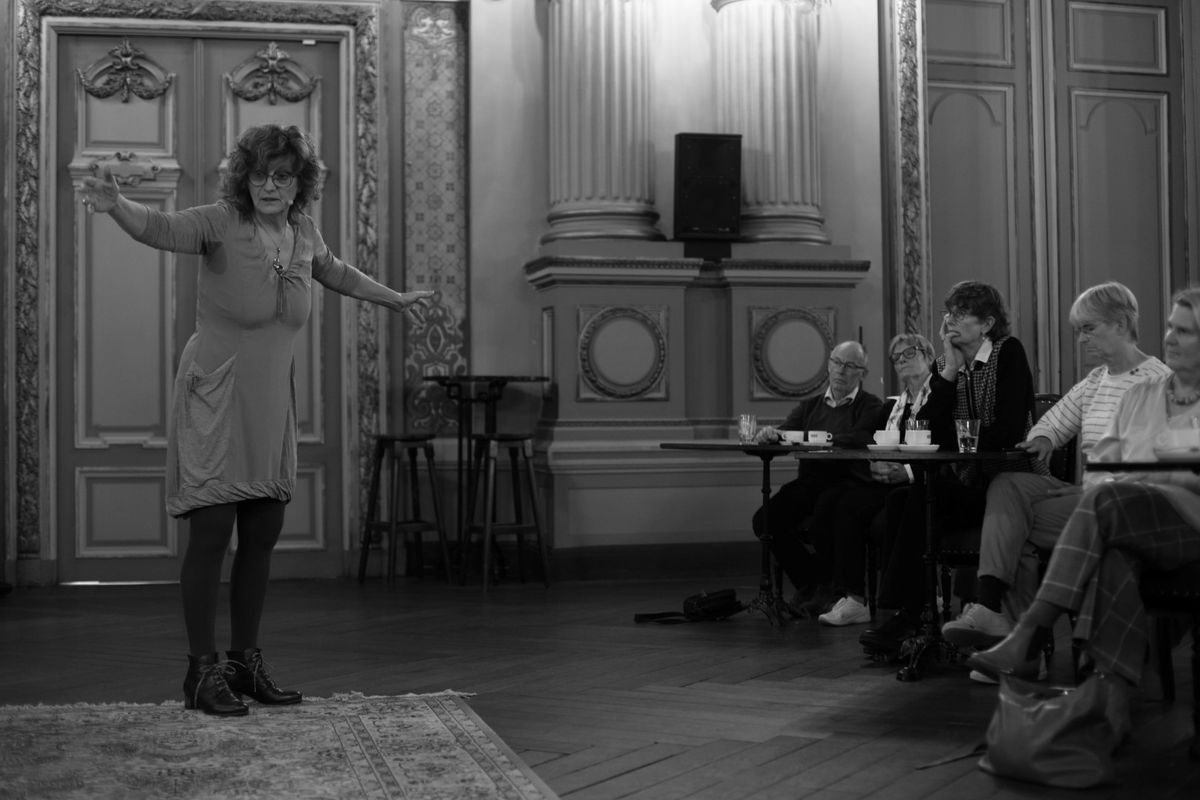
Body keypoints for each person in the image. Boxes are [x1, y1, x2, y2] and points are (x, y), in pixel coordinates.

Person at [79, 124, 435, 717]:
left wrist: (393, 298)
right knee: (213, 532)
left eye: (283, 176)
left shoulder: (303, 232)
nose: (270, 186)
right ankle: (201, 671)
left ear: (299, 183)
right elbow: (161, 228)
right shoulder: (220, 222)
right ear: (244, 178)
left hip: (270, 401)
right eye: (260, 175)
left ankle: (244, 663)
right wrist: (118, 204)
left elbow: (337, 272)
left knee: (262, 533)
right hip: (216, 393)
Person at [968, 287, 1200, 724]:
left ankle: (1029, 633)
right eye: (1171, 327)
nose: (1169, 337)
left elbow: (1172, 474)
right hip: (1115, 507)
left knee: (1104, 500)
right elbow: (1109, 461)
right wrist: (1076, 468)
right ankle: (1104, 693)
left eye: (1184, 331)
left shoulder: (1154, 381)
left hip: (1179, 518)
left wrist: (1116, 482)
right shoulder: (1138, 394)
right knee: (1099, 542)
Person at [941, 283, 1169, 654]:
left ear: (1121, 324)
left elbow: (1156, 470)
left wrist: (1091, 488)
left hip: (1125, 504)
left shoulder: (1156, 382)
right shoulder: (1096, 380)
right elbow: (1053, 421)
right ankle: (1001, 624)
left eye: (1089, 329)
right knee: (1008, 484)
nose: (1081, 340)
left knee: (1016, 524)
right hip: (1089, 494)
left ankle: (1014, 640)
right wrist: (1045, 438)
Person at [860, 281, 1043, 656]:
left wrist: (961, 442)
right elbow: (925, 429)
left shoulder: (1008, 352)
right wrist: (949, 372)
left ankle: (909, 616)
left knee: (923, 496)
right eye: (949, 313)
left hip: (1010, 484)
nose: (950, 320)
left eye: (961, 314)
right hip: (967, 484)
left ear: (987, 323)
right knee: (901, 499)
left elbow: (1008, 429)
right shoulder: (945, 365)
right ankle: (911, 612)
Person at [811, 333, 954, 626]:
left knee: (888, 517)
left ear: (929, 356)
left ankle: (915, 597)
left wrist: (908, 472)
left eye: (909, 353)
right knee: (846, 503)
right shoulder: (892, 407)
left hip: (926, 482)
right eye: (896, 357)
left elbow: (950, 450)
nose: (901, 360)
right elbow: (870, 442)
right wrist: (874, 464)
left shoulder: (942, 399)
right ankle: (854, 600)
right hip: (890, 483)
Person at [751, 341, 884, 609]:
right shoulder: (810, 406)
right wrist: (771, 435)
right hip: (811, 481)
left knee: (827, 508)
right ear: (829, 365)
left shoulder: (870, 405)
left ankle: (830, 588)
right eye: (837, 362)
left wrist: (820, 438)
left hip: (849, 480)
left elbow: (860, 436)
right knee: (765, 519)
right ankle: (811, 581)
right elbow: (786, 433)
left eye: (850, 365)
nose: (841, 370)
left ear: (863, 373)